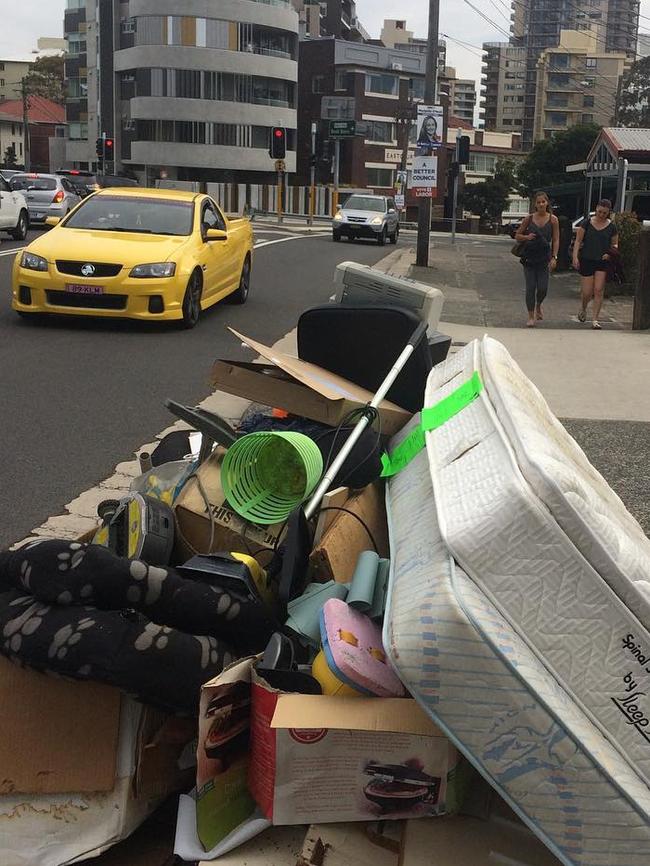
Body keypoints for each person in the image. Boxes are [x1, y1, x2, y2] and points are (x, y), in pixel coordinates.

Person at [514, 191, 560, 328]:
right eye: (538, 202)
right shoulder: (529, 219)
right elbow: (517, 235)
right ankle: (530, 316)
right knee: (530, 287)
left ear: (547, 203)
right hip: (529, 257)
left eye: (543, 202)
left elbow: (556, 239)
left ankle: (538, 304)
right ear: (535, 204)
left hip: (544, 258)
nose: (541, 204)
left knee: (542, 288)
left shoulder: (553, 220)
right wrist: (526, 237)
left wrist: (554, 257)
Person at [572, 199, 619, 330]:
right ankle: (583, 307)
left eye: (604, 213)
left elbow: (615, 244)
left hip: (602, 261)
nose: (601, 215)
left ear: (608, 212)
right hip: (587, 259)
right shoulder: (586, 223)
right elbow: (578, 241)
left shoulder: (612, 227)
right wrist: (575, 257)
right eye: (599, 212)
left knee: (598, 290)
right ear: (596, 209)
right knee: (587, 292)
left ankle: (595, 319)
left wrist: (610, 254)